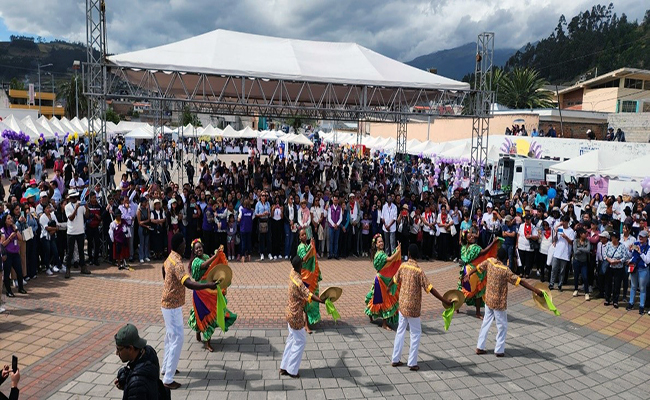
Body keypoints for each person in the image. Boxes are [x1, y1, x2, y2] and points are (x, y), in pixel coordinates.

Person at [160, 233, 219, 390]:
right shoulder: (178, 263)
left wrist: (168, 286)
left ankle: (166, 368)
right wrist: (208, 285)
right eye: (184, 243)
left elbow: (163, 269)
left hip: (169, 303)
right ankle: (168, 379)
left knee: (170, 337)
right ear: (179, 245)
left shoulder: (170, 257)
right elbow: (189, 284)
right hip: (172, 306)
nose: (186, 246)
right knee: (177, 339)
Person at [468, 247, 544, 357]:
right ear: (505, 258)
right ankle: (499, 350)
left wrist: (469, 274)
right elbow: (520, 281)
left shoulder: (490, 262)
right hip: (499, 302)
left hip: (489, 299)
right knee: (502, 325)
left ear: (497, 255)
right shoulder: (505, 270)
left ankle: (480, 347)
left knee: (486, 323)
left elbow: (478, 267)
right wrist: (535, 290)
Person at [391, 244, 451, 371]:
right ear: (417, 255)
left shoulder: (403, 266)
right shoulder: (418, 271)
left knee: (400, 331)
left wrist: (387, 287)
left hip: (402, 305)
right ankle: (412, 362)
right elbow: (430, 288)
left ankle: (395, 359)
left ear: (408, 253)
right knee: (415, 333)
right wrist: (444, 300)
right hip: (413, 308)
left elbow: (394, 279)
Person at [280, 255, 325, 378]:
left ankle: (284, 367)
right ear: (300, 266)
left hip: (289, 311)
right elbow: (309, 294)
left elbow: (299, 262)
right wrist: (322, 300)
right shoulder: (299, 283)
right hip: (296, 315)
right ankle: (292, 370)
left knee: (291, 339)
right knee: (300, 341)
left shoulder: (292, 272)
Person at [187, 240, 237, 352]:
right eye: (196, 249)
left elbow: (211, 266)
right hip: (200, 292)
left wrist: (217, 255)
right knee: (205, 315)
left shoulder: (205, 256)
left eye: (200, 247)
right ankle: (207, 342)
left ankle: (199, 334)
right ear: (194, 251)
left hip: (209, 290)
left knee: (206, 313)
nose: (199, 250)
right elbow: (204, 265)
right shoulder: (196, 262)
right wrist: (215, 256)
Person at [113, 324, 161, 400]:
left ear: (130, 348)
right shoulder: (149, 352)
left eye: (119, 349)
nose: (116, 353)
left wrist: (131, 385)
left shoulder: (136, 383)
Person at [365, 234, 400, 330]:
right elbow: (390, 259)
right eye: (379, 242)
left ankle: (371, 315)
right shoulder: (380, 255)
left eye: (382, 241)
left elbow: (388, 261)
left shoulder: (381, 253)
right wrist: (398, 252)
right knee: (385, 300)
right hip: (382, 280)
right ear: (376, 244)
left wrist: (396, 251)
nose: (381, 243)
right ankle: (384, 324)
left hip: (383, 278)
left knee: (377, 298)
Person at [458, 229, 495, 319]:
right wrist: (493, 243)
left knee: (463, 288)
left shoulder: (463, 247)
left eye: (472, 235)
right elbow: (484, 252)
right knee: (478, 291)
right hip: (473, 271)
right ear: (467, 240)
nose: (472, 236)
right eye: (470, 236)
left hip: (465, 270)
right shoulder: (474, 247)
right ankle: (478, 313)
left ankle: (456, 306)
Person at [64, 189, 90, 278]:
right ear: (70, 198)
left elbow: (86, 216)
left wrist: (86, 208)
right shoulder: (67, 207)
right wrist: (76, 208)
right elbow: (70, 218)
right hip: (71, 232)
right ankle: (68, 269)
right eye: (73, 197)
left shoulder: (81, 204)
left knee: (81, 251)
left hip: (80, 231)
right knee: (70, 251)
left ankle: (83, 267)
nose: (75, 198)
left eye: (76, 197)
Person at [1, 214, 26, 297]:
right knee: (7, 273)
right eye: (8, 218)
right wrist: (10, 238)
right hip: (8, 254)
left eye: (11, 218)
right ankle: (8, 291)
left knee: (19, 271)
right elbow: (2, 244)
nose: (10, 220)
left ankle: (21, 288)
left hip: (15, 253)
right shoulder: (2, 230)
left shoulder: (13, 228)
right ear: (5, 221)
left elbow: (20, 238)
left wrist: (16, 229)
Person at [549, 215, 575, 291]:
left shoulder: (571, 231)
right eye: (562, 221)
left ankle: (560, 284)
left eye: (564, 221)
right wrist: (556, 232)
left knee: (562, 271)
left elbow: (571, 242)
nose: (563, 223)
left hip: (565, 254)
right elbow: (555, 239)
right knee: (554, 269)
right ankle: (551, 283)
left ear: (567, 222)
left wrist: (565, 237)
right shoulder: (560, 229)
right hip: (557, 252)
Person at [626, 230, 649, 315]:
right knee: (633, 286)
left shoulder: (648, 248)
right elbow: (631, 256)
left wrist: (641, 252)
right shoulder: (636, 244)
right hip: (634, 268)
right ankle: (631, 303)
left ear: (646, 238)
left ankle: (641, 306)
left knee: (642, 288)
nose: (640, 238)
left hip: (643, 269)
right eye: (640, 236)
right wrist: (629, 250)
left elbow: (647, 261)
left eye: (642, 236)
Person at [572, 228, 591, 300]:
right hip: (576, 261)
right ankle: (576, 289)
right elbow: (575, 252)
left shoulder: (587, 241)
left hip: (584, 262)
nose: (585, 235)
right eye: (584, 233)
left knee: (585, 277)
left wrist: (580, 248)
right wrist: (583, 249)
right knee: (576, 276)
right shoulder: (576, 241)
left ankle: (586, 292)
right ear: (580, 234)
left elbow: (588, 250)